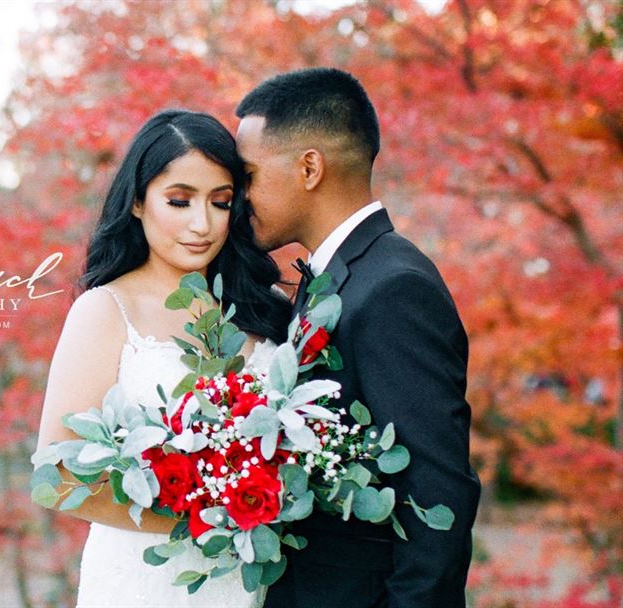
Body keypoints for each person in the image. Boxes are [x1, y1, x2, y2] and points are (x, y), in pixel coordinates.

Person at [234, 67, 481, 608]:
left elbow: (440, 492)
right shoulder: (333, 278)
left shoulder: (394, 288)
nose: (239, 197)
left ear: (309, 168)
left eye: (249, 175)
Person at [34, 109, 292, 607]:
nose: (202, 224)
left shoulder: (270, 309)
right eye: (179, 201)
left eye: (221, 202)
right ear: (137, 201)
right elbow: (56, 480)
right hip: (145, 582)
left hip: (254, 583)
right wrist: (212, 517)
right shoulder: (105, 310)